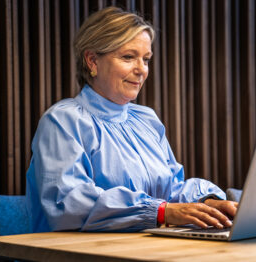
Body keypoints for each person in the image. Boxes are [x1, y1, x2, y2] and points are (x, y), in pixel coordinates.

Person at [25, 6, 237, 233]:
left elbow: (171, 190)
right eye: (128, 57)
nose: (141, 70)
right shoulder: (63, 121)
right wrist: (162, 212)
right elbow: (69, 203)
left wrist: (208, 204)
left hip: (140, 248)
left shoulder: (147, 119)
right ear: (92, 61)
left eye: (145, 59)